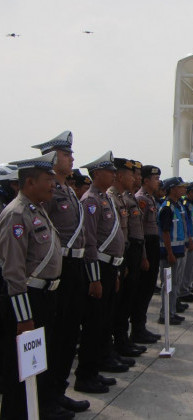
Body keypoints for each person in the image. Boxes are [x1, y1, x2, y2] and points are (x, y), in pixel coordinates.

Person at [0, 152, 75, 420]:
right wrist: (24, 318)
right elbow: (13, 271)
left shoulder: (37, 208)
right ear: (29, 182)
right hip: (28, 300)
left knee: (39, 362)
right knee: (18, 370)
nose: (52, 185)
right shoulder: (16, 214)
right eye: (47, 180)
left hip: (46, 297)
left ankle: (37, 409)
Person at [32, 131, 91, 414]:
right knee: (55, 337)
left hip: (76, 265)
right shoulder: (50, 192)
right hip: (60, 268)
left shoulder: (66, 189)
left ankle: (58, 391)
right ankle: (47, 399)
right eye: (67, 154)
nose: (72, 159)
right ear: (51, 158)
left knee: (69, 333)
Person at [74, 151, 127, 394]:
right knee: (94, 323)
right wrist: (95, 277)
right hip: (99, 268)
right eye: (110, 171)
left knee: (104, 321)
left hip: (110, 267)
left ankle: (96, 368)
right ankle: (85, 375)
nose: (114, 175)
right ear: (96, 174)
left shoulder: (104, 199)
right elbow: (90, 242)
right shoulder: (91, 201)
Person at [110, 158, 147, 358]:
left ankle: (123, 341)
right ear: (119, 175)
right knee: (118, 303)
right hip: (119, 256)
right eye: (132, 174)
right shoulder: (112, 198)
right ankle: (117, 344)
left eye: (137, 175)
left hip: (130, 251)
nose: (135, 178)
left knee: (128, 300)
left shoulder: (125, 198)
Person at [132, 165, 162, 343]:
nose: (157, 181)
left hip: (152, 244)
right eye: (155, 178)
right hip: (146, 246)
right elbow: (139, 231)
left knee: (149, 288)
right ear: (145, 180)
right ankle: (137, 329)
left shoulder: (150, 198)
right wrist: (143, 256)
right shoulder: (141, 199)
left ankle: (141, 327)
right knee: (142, 290)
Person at [157, 177, 188, 325]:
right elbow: (165, 232)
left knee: (175, 284)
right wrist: (169, 252)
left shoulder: (177, 206)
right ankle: (165, 314)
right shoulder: (167, 207)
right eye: (181, 187)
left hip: (179, 250)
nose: (184, 189)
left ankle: (172, 312)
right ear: (173, 189)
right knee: (168, 285)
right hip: (170, 253)